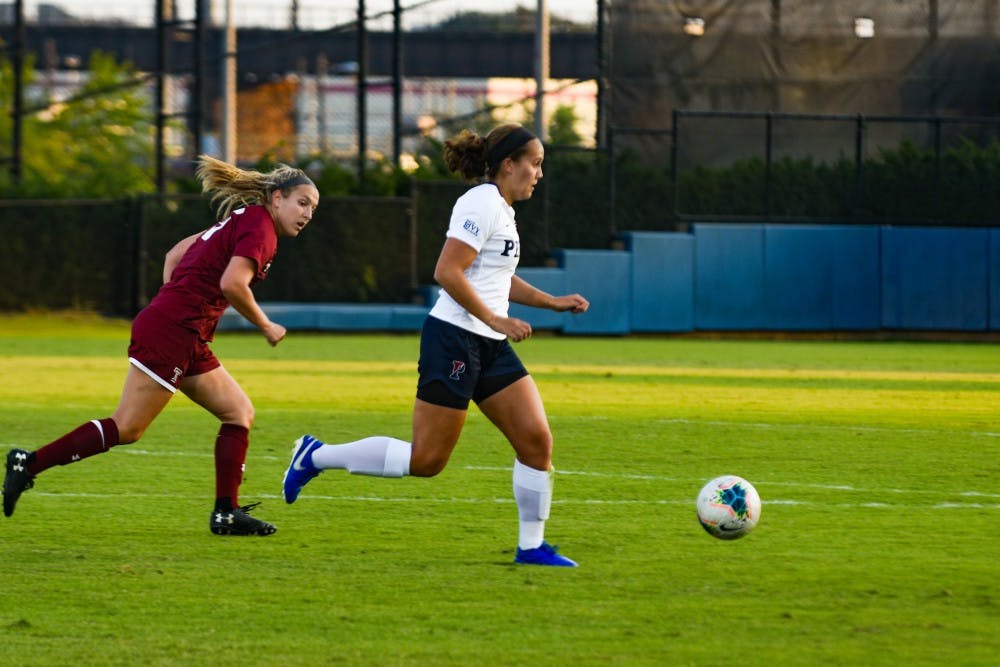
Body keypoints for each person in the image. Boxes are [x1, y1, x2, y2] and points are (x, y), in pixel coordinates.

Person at [282, 124, 589, 566]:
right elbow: (447, 270)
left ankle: (532, 546)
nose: (539, 174)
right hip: (454, 340)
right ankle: (316, 455)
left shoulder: (503, 210)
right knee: (427, 460)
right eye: (535, 164)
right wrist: (495, 317)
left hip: (489, 342)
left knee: (536, 441)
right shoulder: (480, 202)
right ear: (508, 165)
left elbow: (496, 277)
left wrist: (550, 302)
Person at [3, 155, 320, 536]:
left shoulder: (244, 217)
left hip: (183, 330)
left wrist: (175, 302)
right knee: (128, 427)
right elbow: (233, 284)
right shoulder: (261, 229)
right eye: (302, 203)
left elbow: (175, 255)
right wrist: (265, 324)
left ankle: (226, 513)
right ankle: (28, 462)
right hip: (175, 331)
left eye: (313, 208)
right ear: (277, 197)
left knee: (238, 412)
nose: (307, 214)